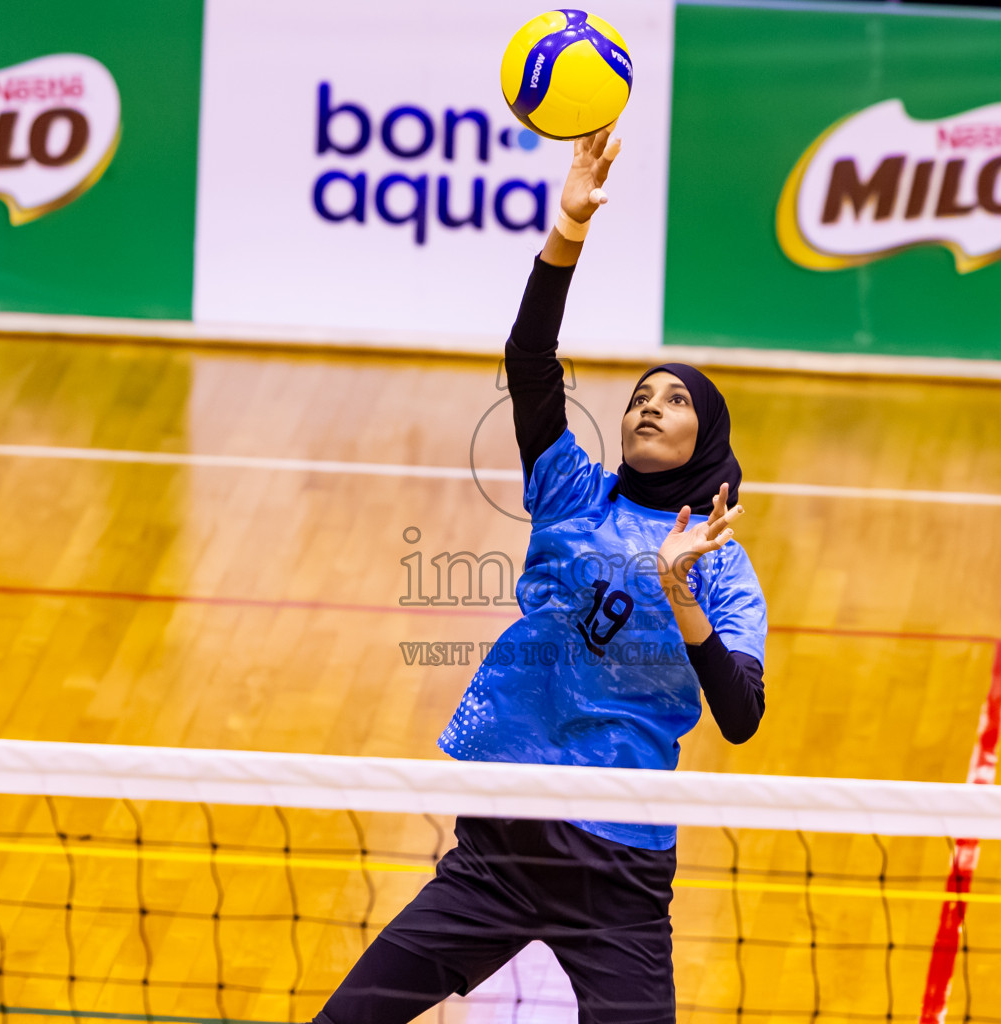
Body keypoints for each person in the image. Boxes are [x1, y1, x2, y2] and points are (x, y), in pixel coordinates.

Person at [310, 127, 768, 1024]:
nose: (649, 406)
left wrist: (683, 599)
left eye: (676, 399)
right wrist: (568, 231)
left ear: (707, 436)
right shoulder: (570, 490)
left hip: (618, 870)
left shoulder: (724, 565)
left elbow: (743, 717)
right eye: (640, 395)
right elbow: (529, 363)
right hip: (504, 839)